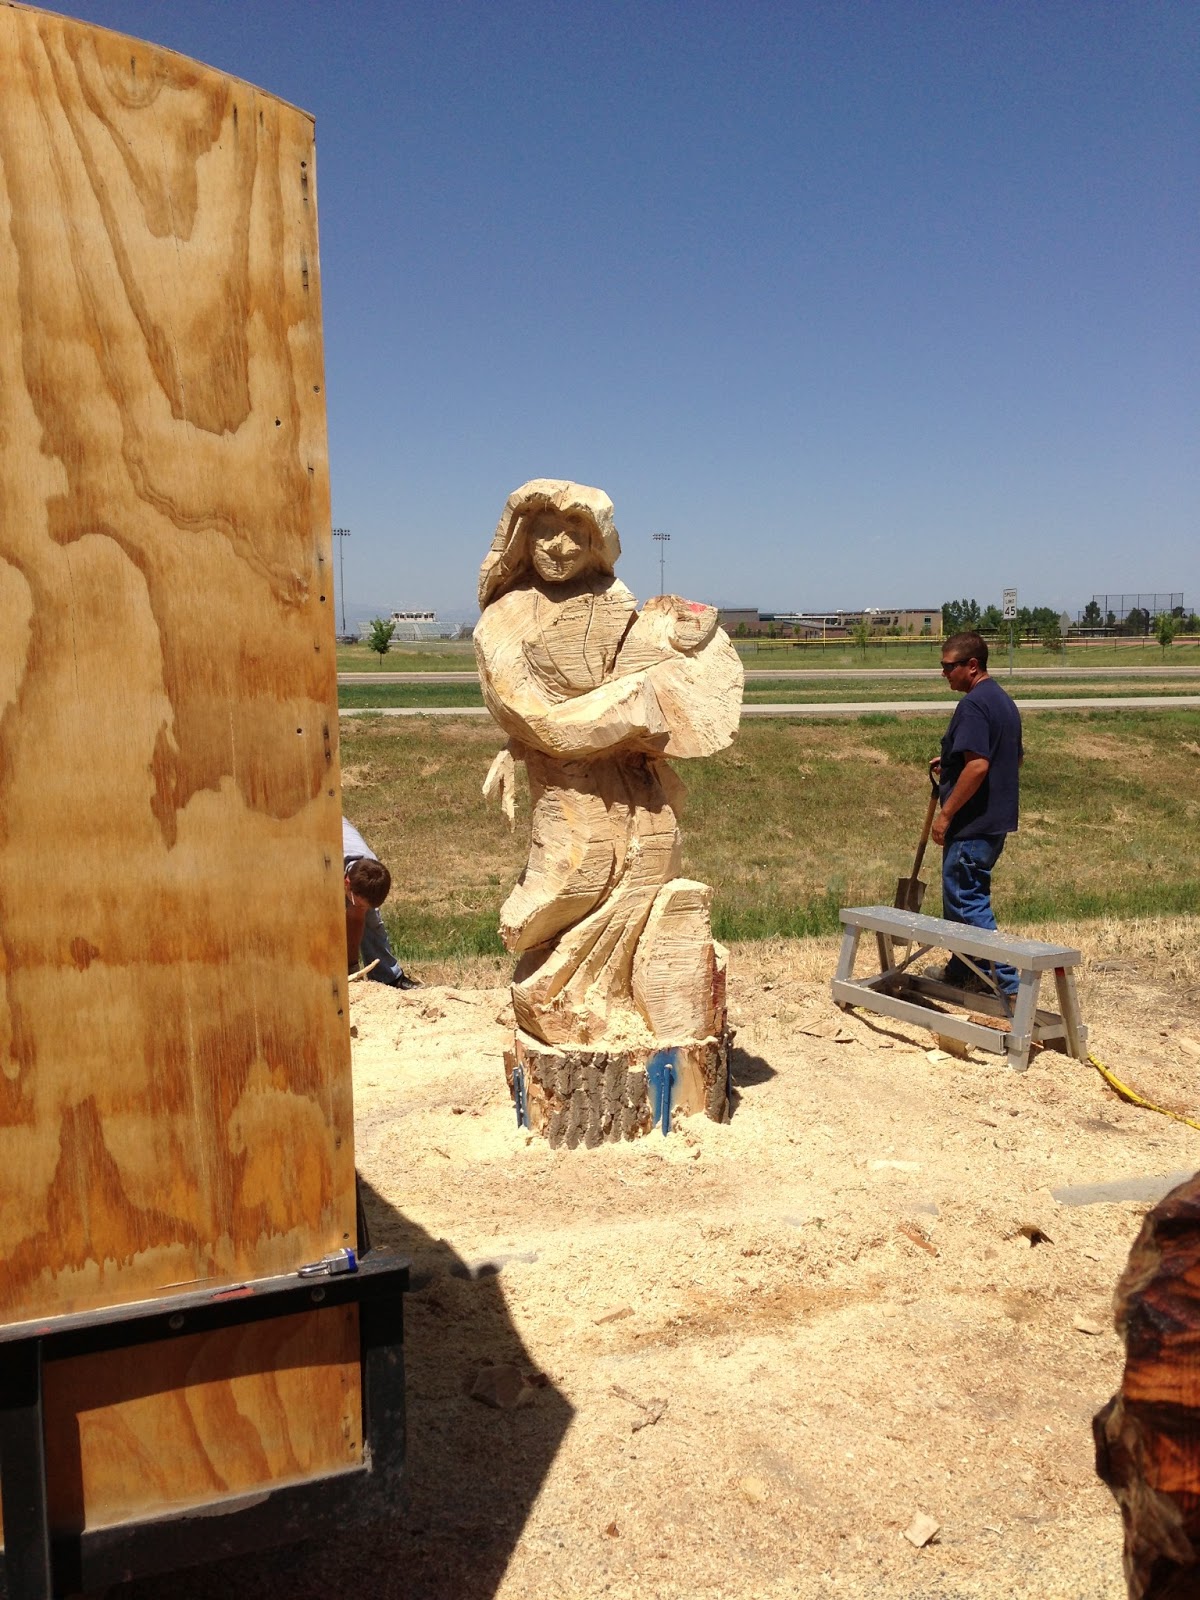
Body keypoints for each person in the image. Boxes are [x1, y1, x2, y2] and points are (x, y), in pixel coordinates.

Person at [929, 631, 1023, 996]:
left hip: (972, 825)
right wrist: (952, 759)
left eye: (948, 666)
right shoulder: (1001, 700)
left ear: (972, 665)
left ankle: (1009, 986)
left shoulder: (972, 706)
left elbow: (979, 766)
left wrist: (946, 814)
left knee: (966, 904)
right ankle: (963, 969)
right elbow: (1011, 757)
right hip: (994, 822)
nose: (944, 674)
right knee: (961, 900)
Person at [343, 816, 420, 989]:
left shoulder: (370, 868)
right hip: (301, 835)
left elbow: (357, 918)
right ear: (347, 883)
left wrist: (351, 969)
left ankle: (388, 977)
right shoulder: (323, 864)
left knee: (371, 920)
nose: (362, 910)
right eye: (361, 904)